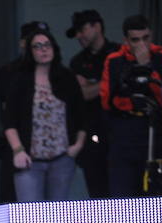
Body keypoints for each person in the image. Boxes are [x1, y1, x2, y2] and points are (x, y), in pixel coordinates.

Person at [3, 29, 86, 202]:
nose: (44, 50)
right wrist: (18, 150)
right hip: (30, 160)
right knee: (30, 215)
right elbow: (9, 120)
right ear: (31, 52)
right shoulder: (20, 80)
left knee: (58, 214)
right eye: (37, 46)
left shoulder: (66, 77)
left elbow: (82, 114)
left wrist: (77, 145)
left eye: (47, 45)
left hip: (62, 158)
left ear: (54, 48)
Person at [100, 14, 162, 197]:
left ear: (151, 35)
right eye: (135, 40)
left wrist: (146, 66)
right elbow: (106, 100)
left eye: (146, 38)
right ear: (126, 40)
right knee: (123, 191)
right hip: (124, 131)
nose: (142, 44)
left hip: (153, 128)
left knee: (158, 190)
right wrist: (128, 103)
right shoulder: (114, 60)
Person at [0, 21, 51, 203]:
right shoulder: (8, 72)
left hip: (50, 147)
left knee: (53, 200)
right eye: (34, 41)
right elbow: (10, 112)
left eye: (45, 41)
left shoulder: (56, 71)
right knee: (15, 200)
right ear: (23, 43)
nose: (40, 45)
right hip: (18, 144)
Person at [67, 10, 120, 198]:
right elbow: (82, 94)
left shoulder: (118, 54)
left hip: (119, 132)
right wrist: (109, 83)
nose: (79, 36)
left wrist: (95, 85)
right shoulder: (78, 62)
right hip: (92, 133)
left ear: (97, 26)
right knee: (98, 193)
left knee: (123, 191)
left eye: (82, 30)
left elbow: (122, 87)